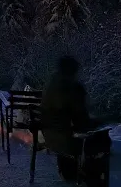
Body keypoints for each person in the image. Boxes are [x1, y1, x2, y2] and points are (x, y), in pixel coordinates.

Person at [41, 56, 112, 186]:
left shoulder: (51, 84)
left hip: (50, 136)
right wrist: (100, 121)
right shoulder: (73, 88)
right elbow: (81, 121)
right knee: (102, 139)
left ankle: (69, 169)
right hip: (65, 140)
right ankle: (93, 178)